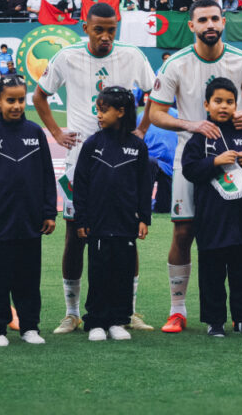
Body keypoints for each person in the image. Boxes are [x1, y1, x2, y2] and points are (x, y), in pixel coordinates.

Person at [148, 0, 242, 334]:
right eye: (202, 20)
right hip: (191, 159)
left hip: (233, 163)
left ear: (223, 22)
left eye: (215, 18)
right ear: (192, 26)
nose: (210, 25)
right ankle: (177, 309)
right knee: (183, 231)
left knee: (238, 238)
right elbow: (155, 113)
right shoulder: (176, 64)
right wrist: (191, 125)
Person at [33, 2, 155, 334]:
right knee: (76, 232)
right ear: (85, 28)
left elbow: (156, 94)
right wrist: (56, 133)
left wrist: (141, 130)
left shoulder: (131, 55)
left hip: (123, 159)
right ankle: (72, 312)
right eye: (98, 30)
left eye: (111, 30)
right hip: (80, 160)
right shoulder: (67, 56)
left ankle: (128, 311)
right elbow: (39, 96)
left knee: (125, 234)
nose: (105, 36)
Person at [0, 76, 57, 347]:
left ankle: (29, 327)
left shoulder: (35, 133)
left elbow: (47, 175)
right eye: (10, 100)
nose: (17, 105)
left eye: (21, 100)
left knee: (28, 280)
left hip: (30, 223)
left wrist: (49, 212)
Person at [181, 78, 242, 337]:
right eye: (218, 101)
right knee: (212, 272)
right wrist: (215, 162)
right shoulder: (201, 137)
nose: (224, 106)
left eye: (230, 102)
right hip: (212, 217)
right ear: (207, 105)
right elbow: (189, 169)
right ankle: (214, 321)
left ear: (236, 105)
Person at [73, 87, 151, 341]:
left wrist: (144, 218)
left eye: (104, 110)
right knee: (98, 273)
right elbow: (81, 184)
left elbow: (144, 186)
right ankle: (95, 322)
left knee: (123, 273)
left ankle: (118, 321)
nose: (99, 114)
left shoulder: (138, 146)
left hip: (126, 223)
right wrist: (82, 219)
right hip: (97, 224)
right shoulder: (92, 144)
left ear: (121, 112)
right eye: (98, 109)